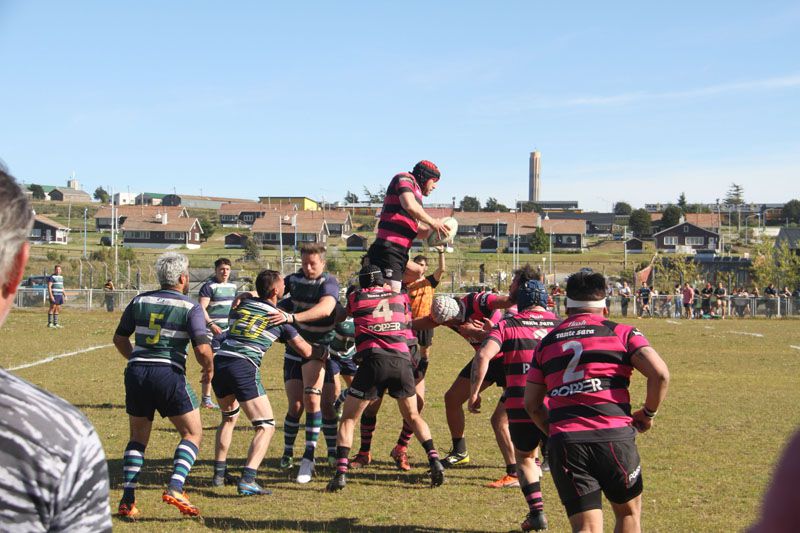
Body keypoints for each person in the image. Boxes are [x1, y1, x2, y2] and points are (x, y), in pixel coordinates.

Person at [0, 166, 112, 532]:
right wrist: (51, 291)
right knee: (53, 306)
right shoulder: (59, 441)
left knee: (59, 307)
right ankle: (51, 320)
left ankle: (55, 318)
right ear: (18, 267)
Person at [524, 270, 670, 533]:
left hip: (567, 443)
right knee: (627, 514)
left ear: (566, 306)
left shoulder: (546, 344)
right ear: (605, 305)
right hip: (613, 437)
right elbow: (659, 374)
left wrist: (556, 432)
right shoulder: (622, 333)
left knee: (587, 528)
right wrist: (648, 414)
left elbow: (532, 404)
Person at [325, 264, 444, 492]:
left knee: (349, 418)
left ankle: (340, 472)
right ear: (382, 281)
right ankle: (434, 460)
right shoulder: (400, 296)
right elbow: (407, 321)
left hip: (373, 361)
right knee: (412, 415)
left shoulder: (356, 296)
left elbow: (344, 315)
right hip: (401, 360)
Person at [112, 252, 214, 518]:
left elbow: (120, 339)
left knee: (137, 439)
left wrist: (137, 358)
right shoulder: (190, 307)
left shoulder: (139, 300)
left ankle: (128, 499)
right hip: (168, 374)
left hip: (136, 373)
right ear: (182, 278)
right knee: (193, 433)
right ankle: (176, 487)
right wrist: (208, 368)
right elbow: (203, 349)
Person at [211, 270, 328, 496]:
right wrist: (323, 352)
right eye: (283, 285)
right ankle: (248, 479)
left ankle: (219, 473)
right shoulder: (279, 317)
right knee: (266, 425)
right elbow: (304, 350)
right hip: (242, 366)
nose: (285, 287)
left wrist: (246, 294)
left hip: (221, 362)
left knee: (228, 417)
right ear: (275, 291)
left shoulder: (241, 305)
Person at [417, 270, 528, 487]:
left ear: (458, 312)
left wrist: (516, 294)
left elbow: (503, 302)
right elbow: (426, 323)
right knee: (451, 399)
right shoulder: (446, 314)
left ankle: (530, 463)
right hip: (486, 359)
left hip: (509, 358)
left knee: (512, 416)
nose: (451, 326)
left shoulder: (479, 301)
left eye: (452, 322)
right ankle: (460, 451)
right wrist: (399, 325)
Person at [469, 275, 559, 531]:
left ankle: (537, 511)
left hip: (520, 402)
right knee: (569, 457)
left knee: (526, 458)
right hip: (557, 402)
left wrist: (475, 393)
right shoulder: (560, 325)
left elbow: (483, 356)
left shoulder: (508, 325)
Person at [268, 243, 341, 482]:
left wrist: (291, 316)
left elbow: (326, 308)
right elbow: (272, 291)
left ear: (323, 263)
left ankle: (317, 454)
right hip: (295, 349)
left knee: (323, 404)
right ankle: (288, 451)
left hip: (319, 350)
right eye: (304, 263)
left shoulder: (329, 282)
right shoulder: (294, 280)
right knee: (296, 406)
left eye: (313, 264)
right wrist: (251, 296)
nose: (308, 268)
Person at [384, 250, 446, 469]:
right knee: (372, 405)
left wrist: (441, 253)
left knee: (417, 405)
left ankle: (401, 448)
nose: (419, 269)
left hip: (420, 328)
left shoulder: (428, 282)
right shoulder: (400, 288)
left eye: (421, 266)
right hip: (395, 343)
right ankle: (363, 452)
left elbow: (442, 270)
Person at [367, 160, 447, 292]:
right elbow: (408, 205)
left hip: (400, 252)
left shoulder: (417, 196)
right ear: (425, 177)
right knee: (391, 296)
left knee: (417, 271)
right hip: (389, 248)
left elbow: (417, 230)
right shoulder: (404, 178)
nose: (434, 187)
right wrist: (433, 222)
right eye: (434, 181)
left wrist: (436, 233)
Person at [198, 257, 237, 409]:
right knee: (211, 366)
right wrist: (211, 324)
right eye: (221, 269)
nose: (224, 272)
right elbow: (201, 309)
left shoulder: (233, 287)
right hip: (210, 332)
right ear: (215, 271)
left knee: (226, 364)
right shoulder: (209, 287)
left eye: (227, 269)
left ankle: (225, 396)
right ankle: (206, 399)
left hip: (227, 332)